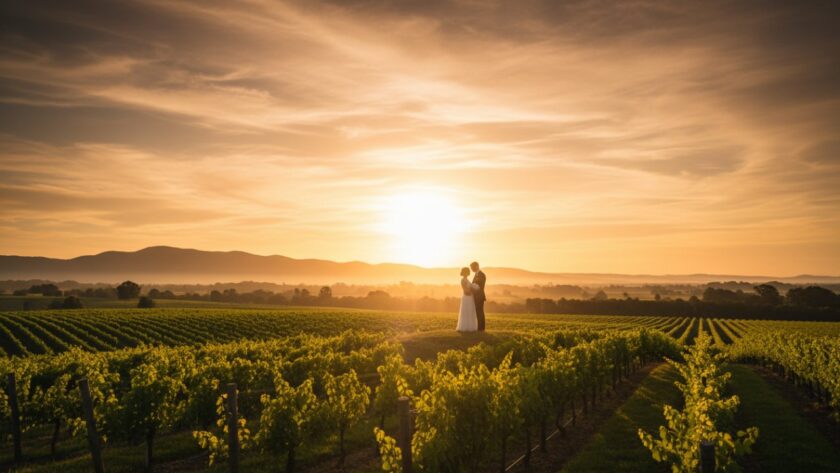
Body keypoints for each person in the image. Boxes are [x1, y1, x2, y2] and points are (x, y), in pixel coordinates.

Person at [455, 267, 478, 332]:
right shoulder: (463, 280)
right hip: (467, 297)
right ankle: (465, 327)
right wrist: (472, 290)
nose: (469, 273)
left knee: (470, 311)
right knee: (466, 312)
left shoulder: (466, 279)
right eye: (468, 272)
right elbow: (465, 290)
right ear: (465, 272)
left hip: (470, 297)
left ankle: (470, 327)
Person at [470, 261, 486, 331]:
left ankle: (481, 328)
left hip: (479, 296)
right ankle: (479, 327)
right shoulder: (476, 274)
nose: (471, 269)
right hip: (476, 296)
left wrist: (471, 287)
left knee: (480, 312)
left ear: (476, 266)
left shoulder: (481, 275)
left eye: (472, 267)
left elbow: (479, 286)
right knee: (478, 311)